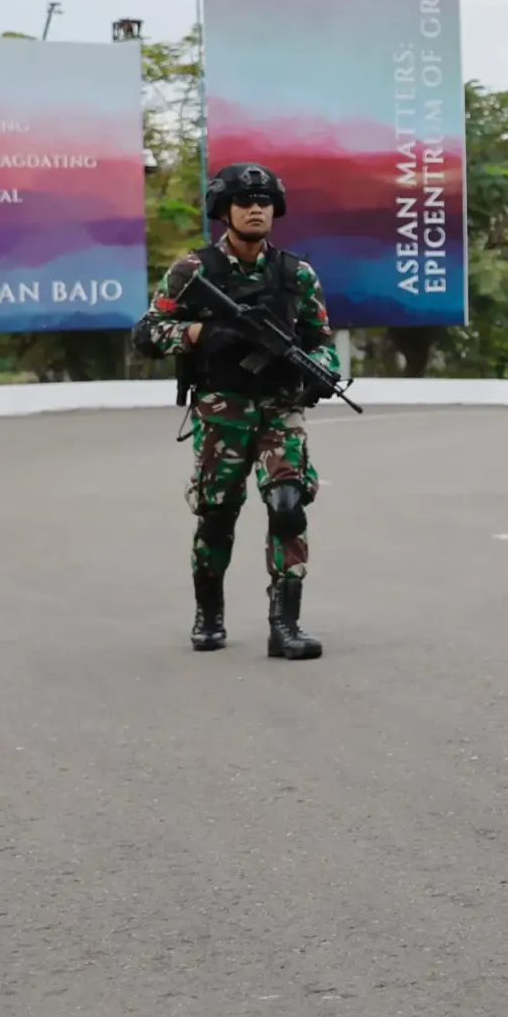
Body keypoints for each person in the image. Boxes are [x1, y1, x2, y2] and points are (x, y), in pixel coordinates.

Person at [132, 162, 337, 659]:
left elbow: (322, 342)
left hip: (279, 411)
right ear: (224, 210)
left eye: (264, 202)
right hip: (222, 414)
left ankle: (284, 626)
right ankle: (209, 614)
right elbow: (147, 334)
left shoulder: (296, 274)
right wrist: (202, 333)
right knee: (217, 516)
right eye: (245, 202)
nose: (255, 209)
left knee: (288, 507)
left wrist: (320, 372)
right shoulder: (194, 271)